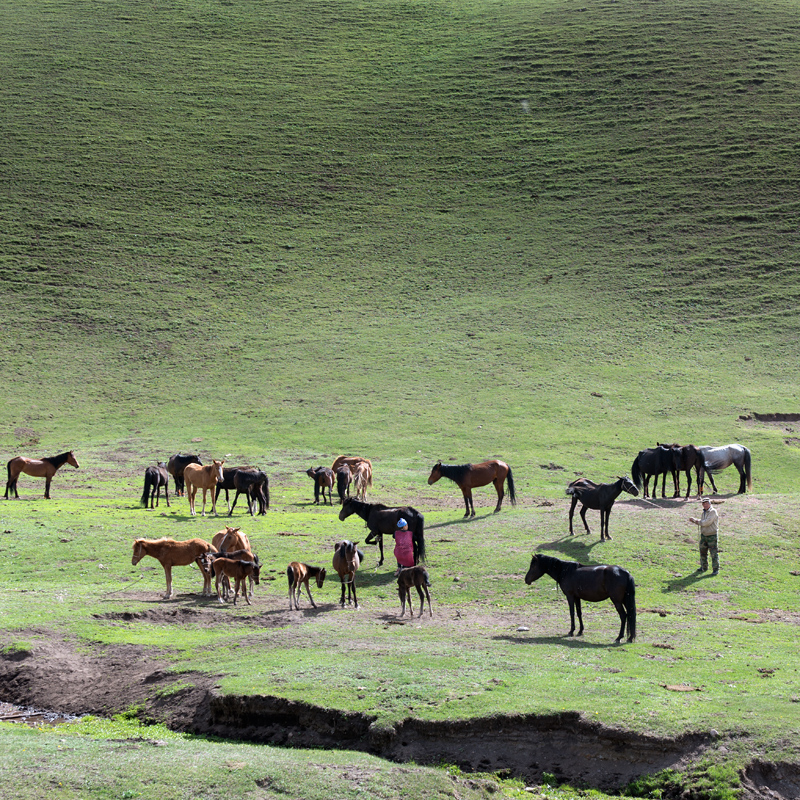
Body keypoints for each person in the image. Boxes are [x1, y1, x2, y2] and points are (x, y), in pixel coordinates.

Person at [688, 497, 719, 574]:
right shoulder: (704, 512)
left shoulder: (713, 512)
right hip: (704, 535)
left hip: (712, 535)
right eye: (703, 504)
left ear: (709, 503)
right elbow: (703, 522)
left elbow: (706, 522)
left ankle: (715, 569)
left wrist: (695, 521)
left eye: (706, 503)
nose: (705, 505)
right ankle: (704, 567)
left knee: (713, 553)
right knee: (703, 552)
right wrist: (696, 521)